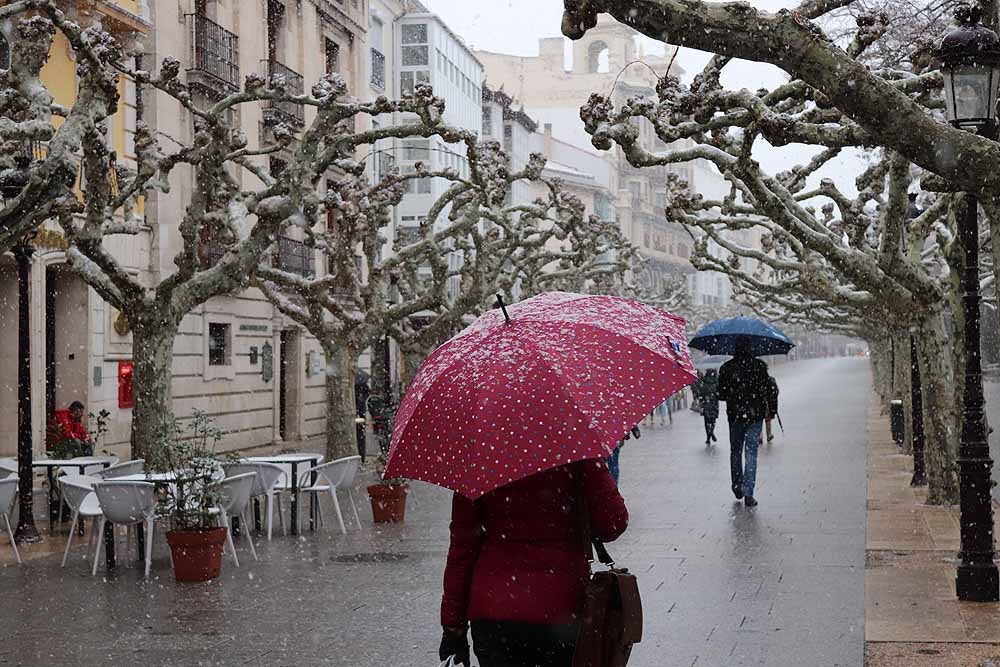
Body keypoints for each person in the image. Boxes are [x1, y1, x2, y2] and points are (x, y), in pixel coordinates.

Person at [439, 461, 629, 666]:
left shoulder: (478, 458)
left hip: (495, 611)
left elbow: (463, 548)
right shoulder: (576, 448)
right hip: (561, 610)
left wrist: (453, 624)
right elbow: (613, 523)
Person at [718, 337, 770, 507]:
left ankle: (737, 485)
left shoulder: (726, 368)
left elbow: (721, 395)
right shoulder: (760, 366)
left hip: (735, 416)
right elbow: (767, 390)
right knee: (751, 452)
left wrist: (735, 394)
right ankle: (749, 493)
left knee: (735, 451)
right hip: (755, 416)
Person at [698, 369, 720, 445]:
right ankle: (711, 432)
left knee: (706, 421)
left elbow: (700, 393)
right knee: (713, 420)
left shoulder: (704, 382)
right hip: (714, 404)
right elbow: (719, 393)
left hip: (706, 404)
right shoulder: (716, 382)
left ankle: (708, 436)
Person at [763, 374, 779, 443]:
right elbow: (776, 391)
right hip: (768, 403)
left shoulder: (756, 379)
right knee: (768, 419)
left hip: (759, 402)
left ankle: (759, 436)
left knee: (758, 420)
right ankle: (768, 434)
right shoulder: (771, 379)